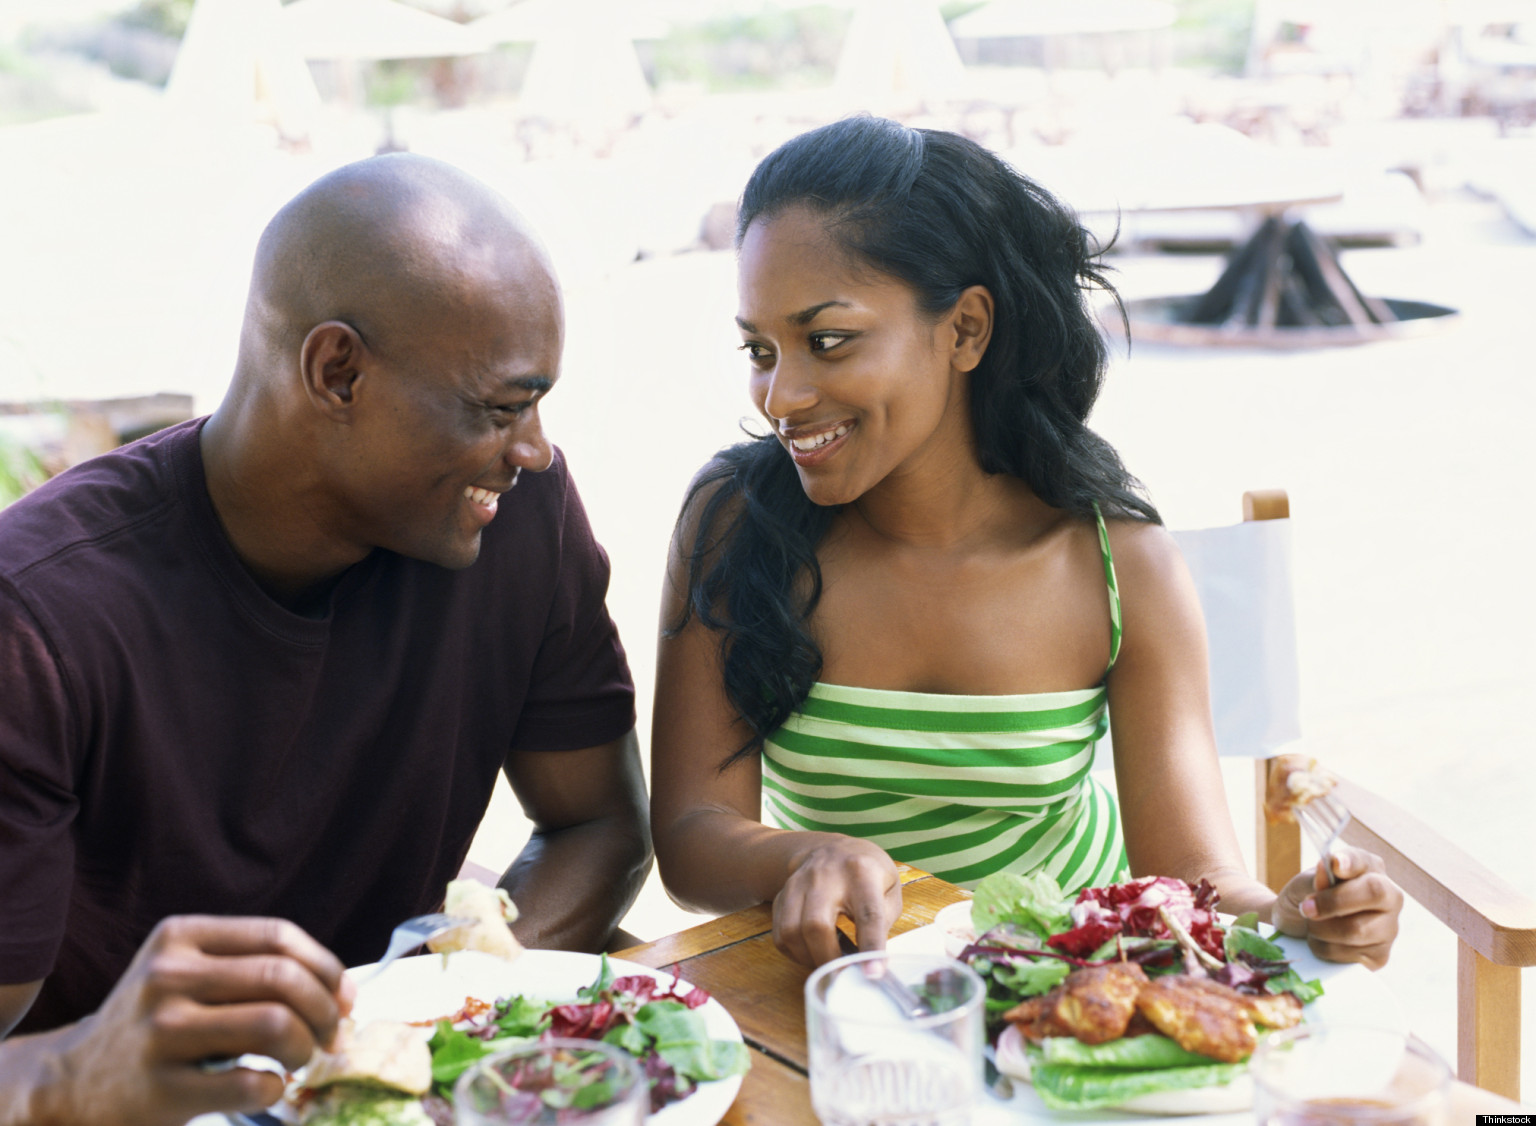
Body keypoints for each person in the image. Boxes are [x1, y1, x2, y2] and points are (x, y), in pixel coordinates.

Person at [650, 117, 1403, 970]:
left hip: (1070, 1000)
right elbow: (689, 835)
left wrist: (1295, 916)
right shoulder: (735, 523)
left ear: (966, 329)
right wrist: (802, 855)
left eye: (827, 341)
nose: (780, 397)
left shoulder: (1122, 569)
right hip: (843, 990)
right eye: (760, 349)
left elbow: (1193, 880)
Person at [0, 154, 650, 1124]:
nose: (535, 449)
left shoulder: (519, 517)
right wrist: (78, 1071)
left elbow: (598, 825)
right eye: (501, 407)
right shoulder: (39, 616)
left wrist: (428, 1009)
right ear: (336, 371)